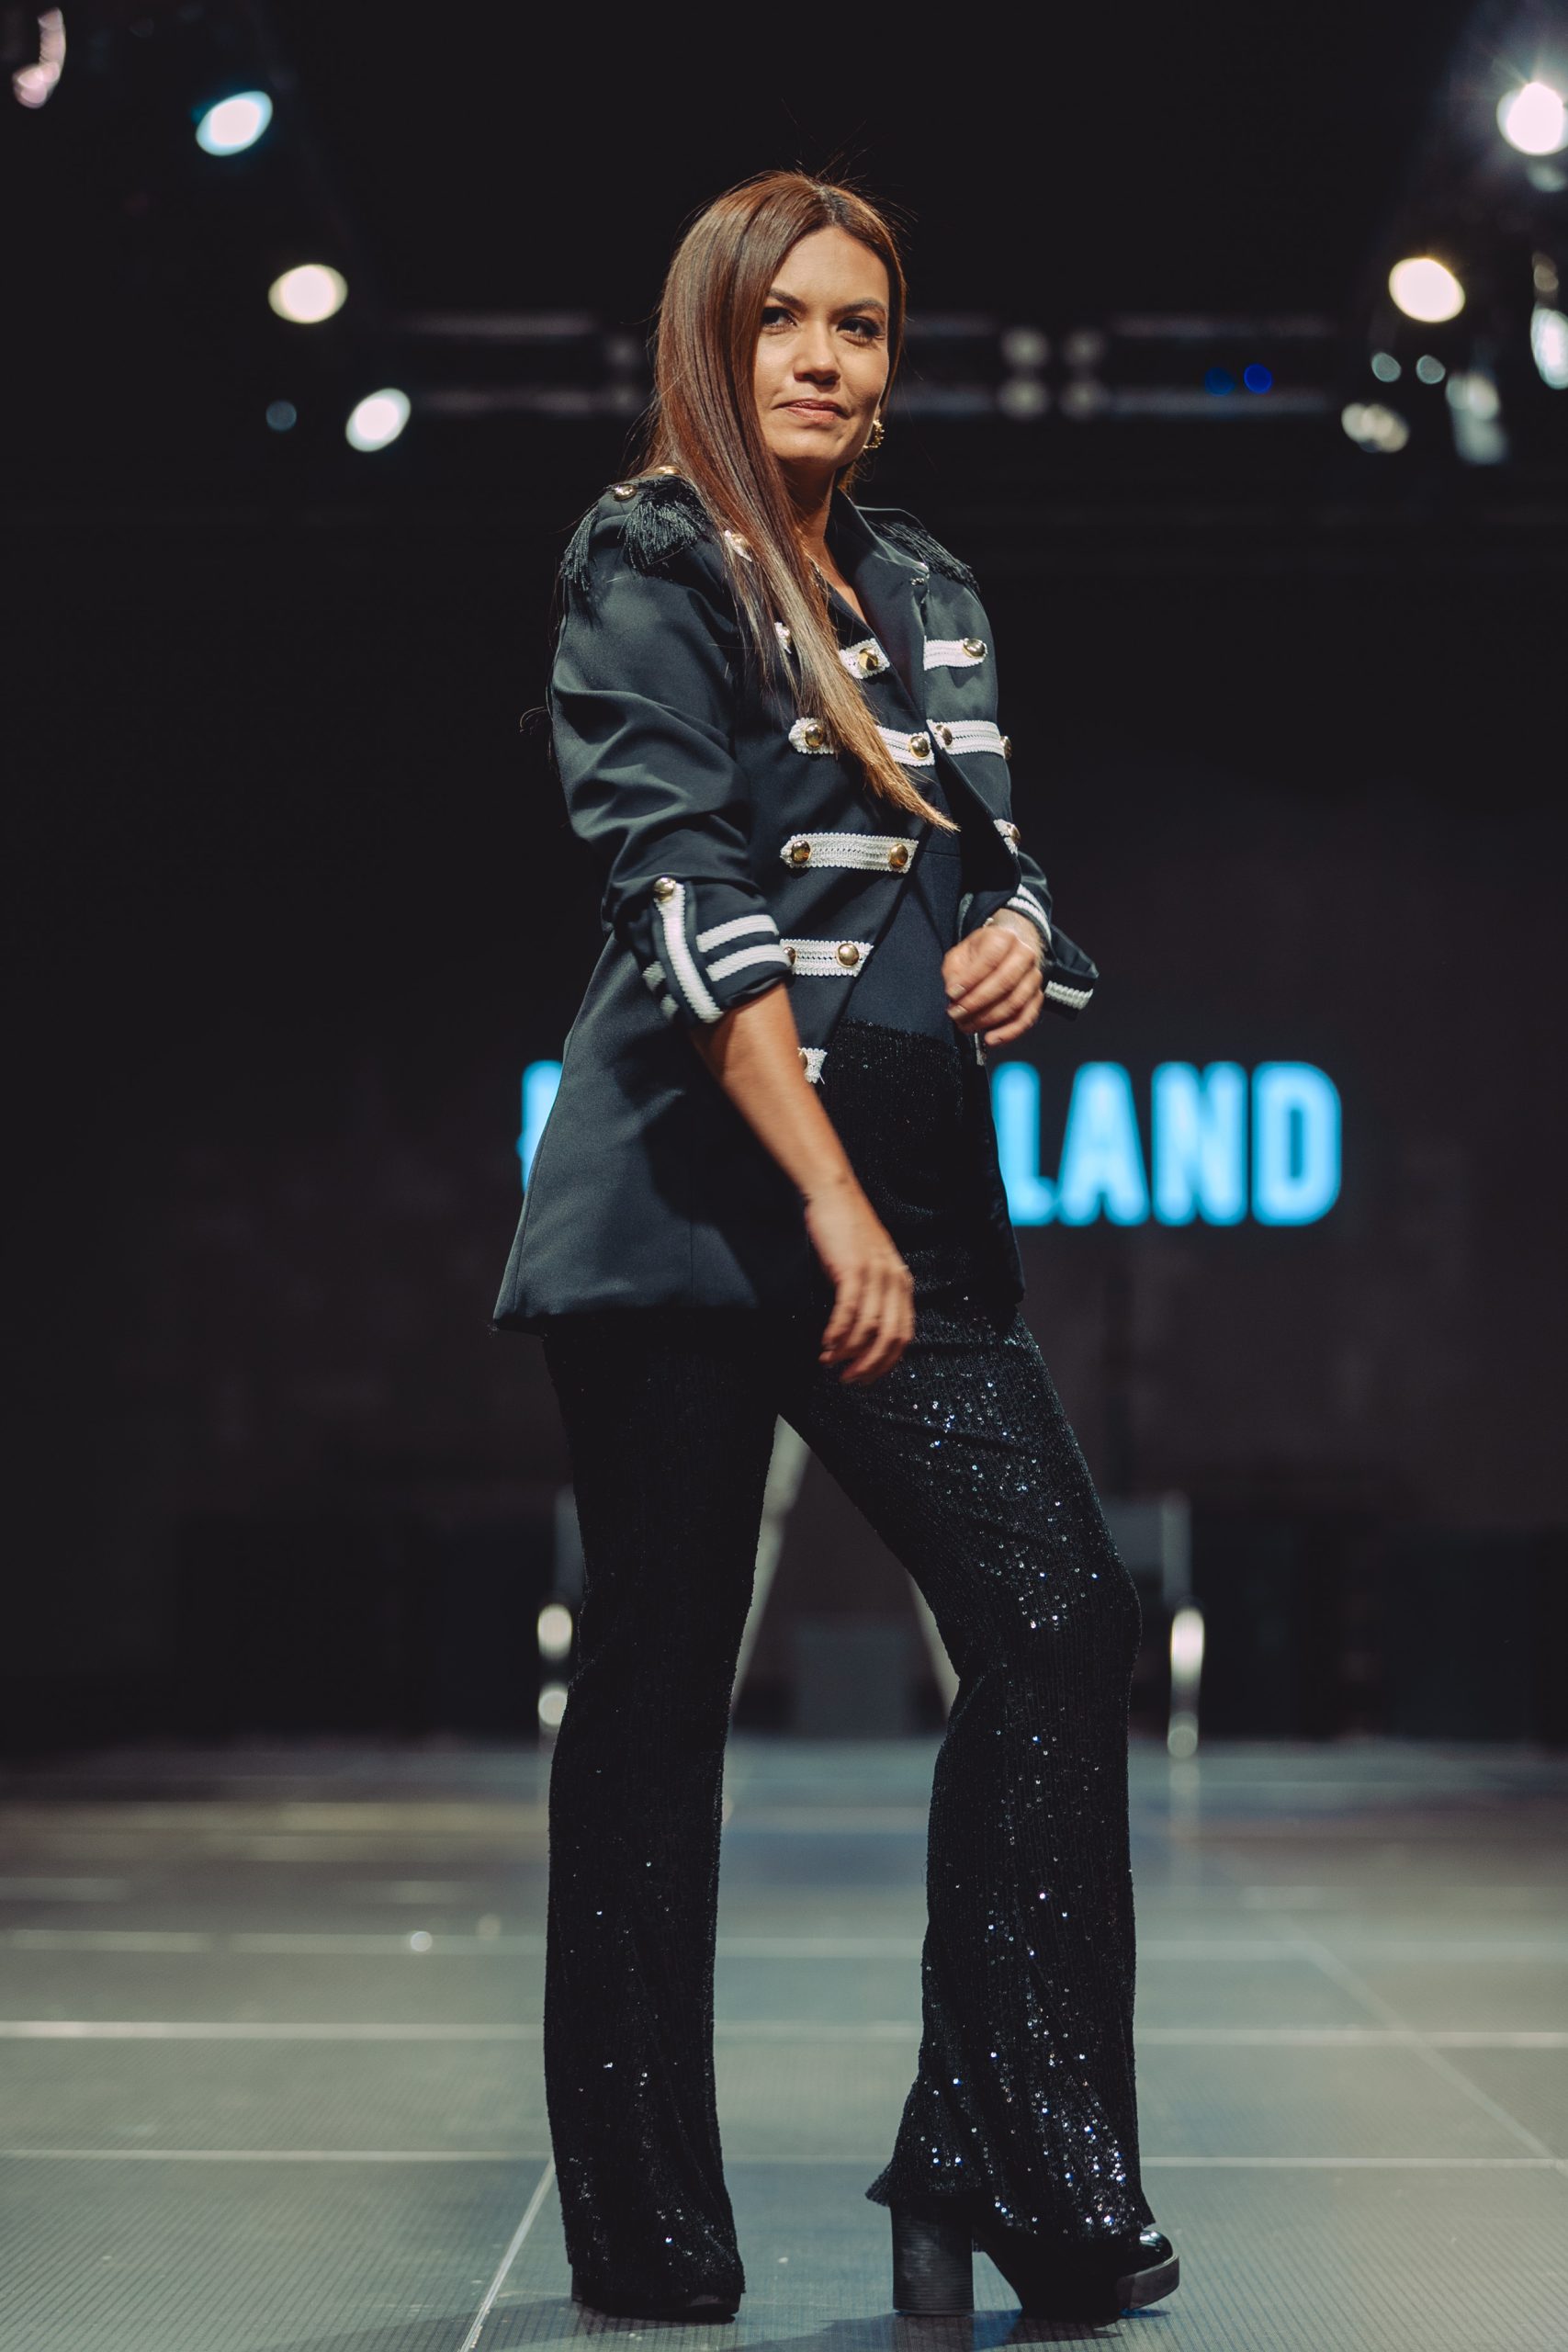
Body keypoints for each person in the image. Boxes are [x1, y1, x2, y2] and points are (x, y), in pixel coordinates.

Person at [491, 169, 1179, 2327]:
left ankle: (1004, 2153)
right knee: (655, 1698)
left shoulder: (927, 586)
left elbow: (993, 846)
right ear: (711, 338)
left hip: (910, 1188)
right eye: (780, 317)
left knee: (1058, 1618)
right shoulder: (644, 558)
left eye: (856, 324)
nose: (818, 354)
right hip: (701, 1196)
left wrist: (1022, 932)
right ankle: (643, 2220)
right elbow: (680, 898)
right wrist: (819, 1195)